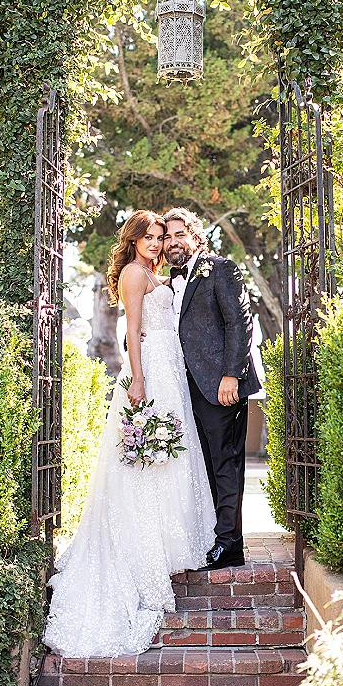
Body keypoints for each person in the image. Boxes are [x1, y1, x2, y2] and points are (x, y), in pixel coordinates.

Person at [43, 210, 215, 658]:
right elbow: (132, 332)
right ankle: (144, 546)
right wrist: (137, 380)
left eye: (160, 237)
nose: (157, 244)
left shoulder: (155, 272)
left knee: (170, 454)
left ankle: (164, 536)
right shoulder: (135, 275)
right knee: (148, 454)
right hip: (149, 370)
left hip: (169, 367)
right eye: (149, 237)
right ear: (134, 239)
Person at [163, 208, 261, 570]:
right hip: (187, 386)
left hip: (221, 384)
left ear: (195, 237)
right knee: (203, 465)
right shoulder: (171, 281)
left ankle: (229, 545)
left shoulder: (220, 269)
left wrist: (231, 375)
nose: (172, 243)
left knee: (225, 463)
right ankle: (218, 538)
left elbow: (240, 322)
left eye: (179, 235)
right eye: (167, 237)